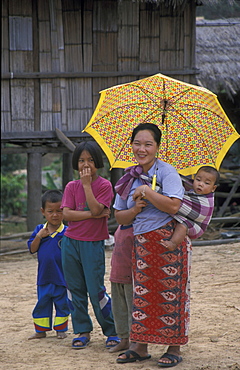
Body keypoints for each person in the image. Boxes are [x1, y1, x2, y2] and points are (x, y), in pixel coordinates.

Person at [113, 122, 191, 367]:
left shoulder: (167, 172)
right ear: (131, 145)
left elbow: (174, 206)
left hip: (169, 240)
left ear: (157, 146)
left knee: (171, 293)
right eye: (137, 143)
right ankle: (141, 347)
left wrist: (146, 190)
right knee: (144, 295)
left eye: (148, 144)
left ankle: (174, 347)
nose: (142, 148)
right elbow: (119, 217)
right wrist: (135, 209)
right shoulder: (128, 177)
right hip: (142, 243)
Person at [60, 141, 119, 350]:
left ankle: (112, 331)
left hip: (92, 244)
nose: (86, 165)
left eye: (91, 160)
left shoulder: (103, 185)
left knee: (96, 290)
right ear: (76, 163)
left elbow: (96, 208)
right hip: (70, 243)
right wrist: (90, 215)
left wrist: (86, 186)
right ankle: (82, 331)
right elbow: (66, 215)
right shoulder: (70, 186)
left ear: (98, 163)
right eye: (82, 160)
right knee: (75, 289)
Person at [27, 190, 69, 340]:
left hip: (62, 278)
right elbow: (32, 249)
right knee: (42, 304)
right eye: (50, 211)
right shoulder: (39, 230)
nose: (55, 215)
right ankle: (40, 331)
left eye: (59, 211)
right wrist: (39, 237)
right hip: (44, 277)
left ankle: (61, 329)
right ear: (43, 212)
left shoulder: (67, 232)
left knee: (62, 304)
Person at [162, 166, 219, 251]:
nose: (200, 184)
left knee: (182, 226)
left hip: (197, 226)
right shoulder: (192, 190)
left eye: (206, 183)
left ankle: (173, 243)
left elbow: (181, 203)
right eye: (198, 180)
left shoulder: (206, 201)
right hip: (190, 218)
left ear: (213, 188)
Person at [109, 224, 134, 353]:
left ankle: (134, 341)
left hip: (131, 278)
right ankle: (123, 339)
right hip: (116, 275)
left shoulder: (138, 227)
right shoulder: (119, 227)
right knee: (119, 310)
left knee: (132, 311)